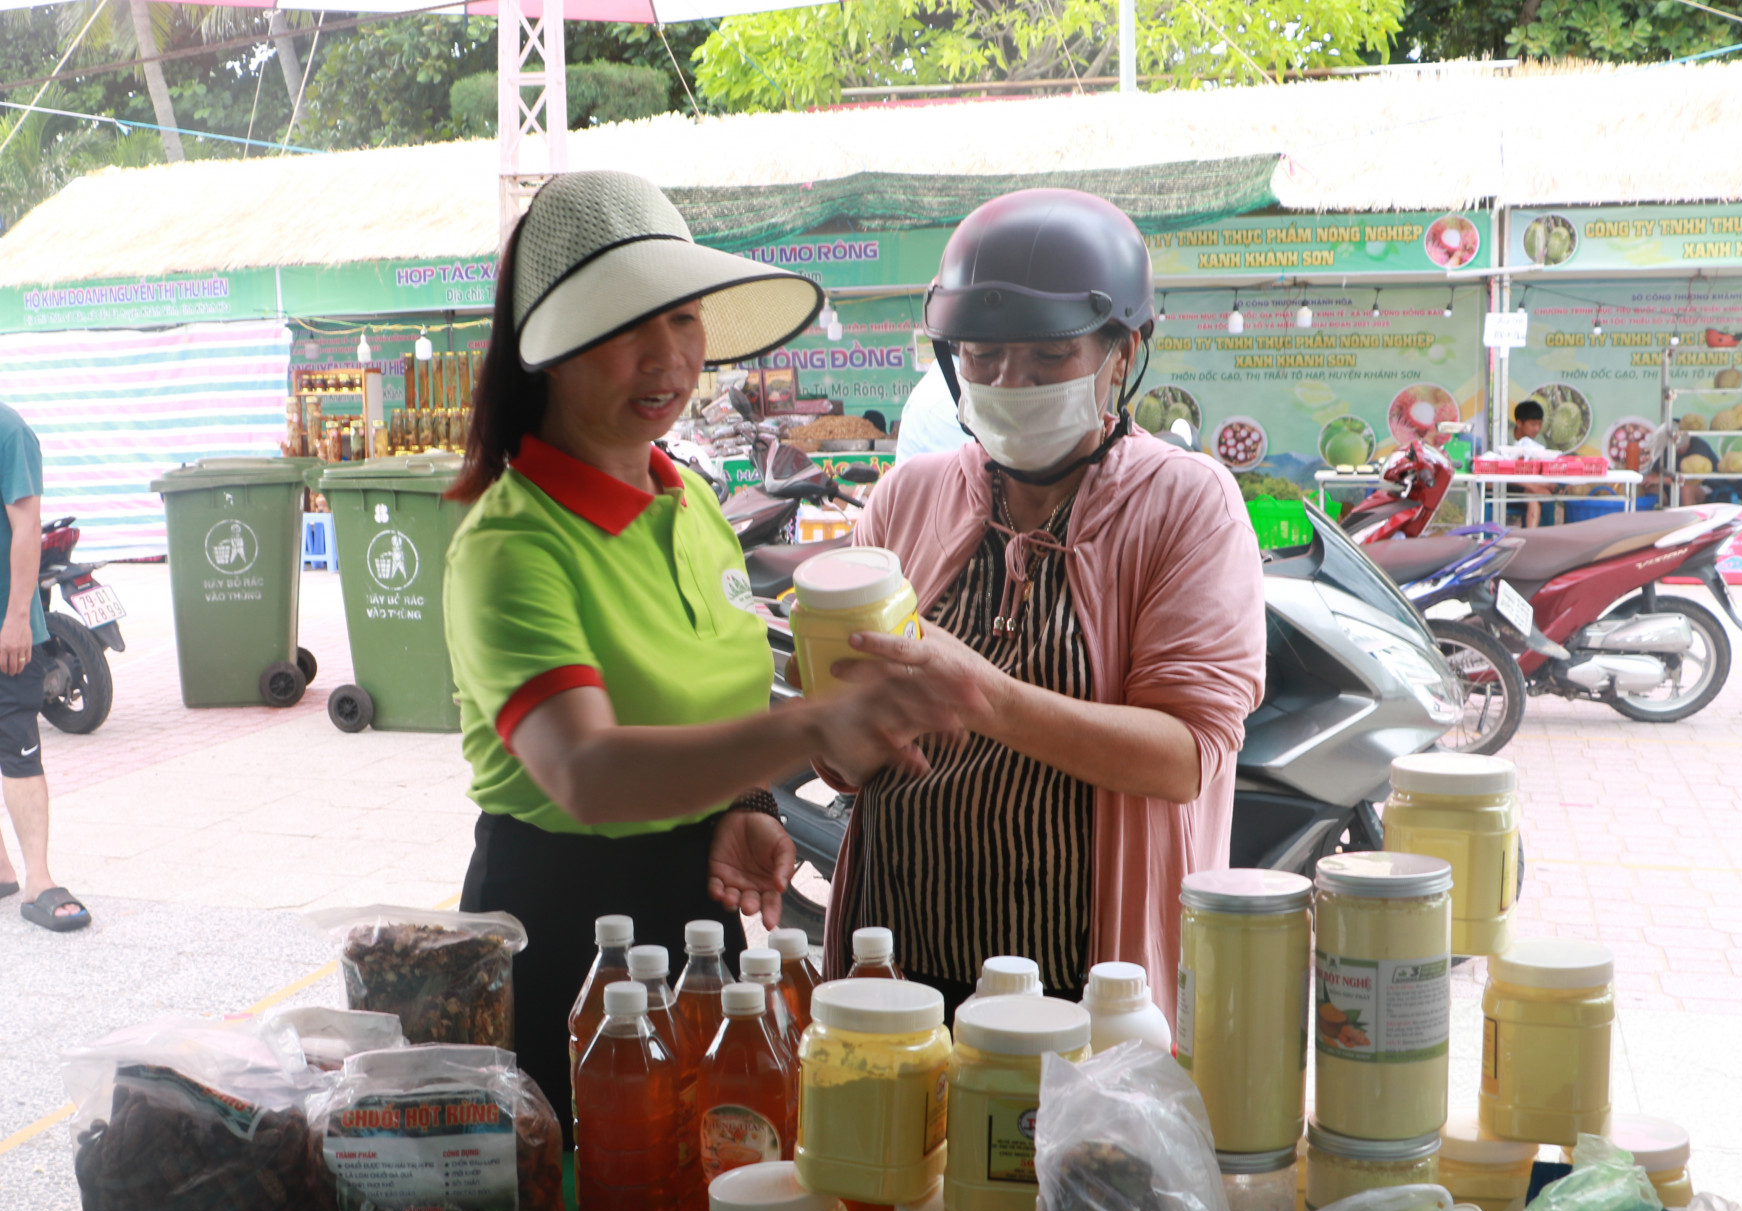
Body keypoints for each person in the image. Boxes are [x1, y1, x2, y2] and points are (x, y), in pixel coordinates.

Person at [443, 171, 961, 1134]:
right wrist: (814, 723)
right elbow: (588, 773)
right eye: (621, 329)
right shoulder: (513, 543)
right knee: (605, 1210)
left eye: (683, 320)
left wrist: (748, 804)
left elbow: (714, 704)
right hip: (565, 934)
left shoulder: (687, 500)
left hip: (700, 927)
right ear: (549, 352)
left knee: (723, 1171)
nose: (666, 360)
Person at [820, 189, 1267, 1026]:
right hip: (901, 967)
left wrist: (980, 693)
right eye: (981, 358)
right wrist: (834, 724)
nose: (1007, 383)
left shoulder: (1186, 503)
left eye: (1048, 358)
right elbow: (846, 759)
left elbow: (1184, 756)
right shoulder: (907, 497)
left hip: (1083, 989)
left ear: (1121, 352)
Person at [0, 401, 88, 932]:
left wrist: (15, 619)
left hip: (6, 630)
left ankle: (38, 878)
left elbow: (28, 528)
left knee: (17, 746)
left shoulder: (9, 432)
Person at [1511, 399, 1555, 529]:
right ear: (1519, 423)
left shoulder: (1539, 440)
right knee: (1533, 494)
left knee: (1547, 487)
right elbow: (1505, 473)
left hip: (1532, 481)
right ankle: (1532, 537)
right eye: (1533, 424)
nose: (1537, 429)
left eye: (1539, 424)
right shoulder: (1505, 438)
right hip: (1510, 483)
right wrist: (1535, 488)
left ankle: (1534, 537)